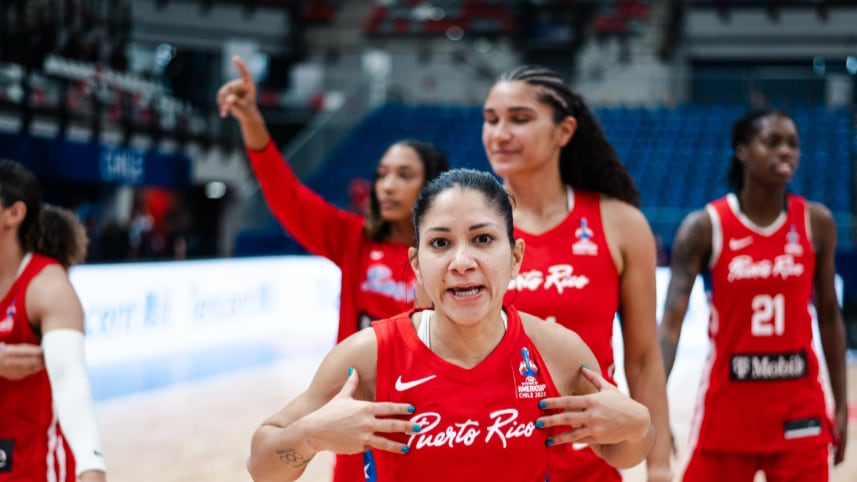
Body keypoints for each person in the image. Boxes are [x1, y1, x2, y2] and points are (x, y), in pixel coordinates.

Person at [246, 168, 655, 482]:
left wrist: (640, 427)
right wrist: (309, 438)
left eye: (482, 239)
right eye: (440, 243)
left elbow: (623, 453)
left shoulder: (559, 351)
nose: (462, 262)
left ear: (515, 257)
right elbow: (261, 464)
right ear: (416, 265)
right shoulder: (367, 356)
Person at [217, 55, 449, 482]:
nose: (388, 185)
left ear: (432, 184)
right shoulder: (354, 238)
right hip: (355, 420)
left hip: (435, 421)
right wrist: (252, 119)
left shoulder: (455, 257)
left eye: (403, 174)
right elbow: (286, 196)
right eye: (382, 175)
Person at [481, 65, 672, 481]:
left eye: (520, 118)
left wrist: (658, 466)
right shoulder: (465, 220)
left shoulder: (619, 223)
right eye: (491, 119)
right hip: (489, 457)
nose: (499, 133)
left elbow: (642, 358)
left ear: (564, 131)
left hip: (590, 466)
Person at [658, 109, 848, 481]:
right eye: (772, 142)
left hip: (800, 411)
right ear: (743, 150)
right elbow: (669, 327)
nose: (786, 152)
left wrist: (840, 406)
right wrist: (655, 410)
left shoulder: (816, 221)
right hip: (728, 409)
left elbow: (828, 315)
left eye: (793, 144)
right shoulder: (705, 226)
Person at [0, 160, 107, 482]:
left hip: (33, 466)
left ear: (13, 214)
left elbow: (71, 384)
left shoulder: (47, 286)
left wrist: (92, 467)